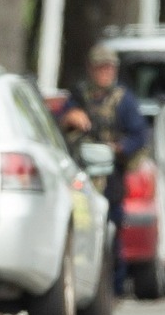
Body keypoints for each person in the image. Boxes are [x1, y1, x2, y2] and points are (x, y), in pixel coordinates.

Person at [60, 44, 147, 297]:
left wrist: (118, 148)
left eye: (109, 68)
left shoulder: (124, 100)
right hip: (81, 175)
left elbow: (139, 135)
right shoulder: (78, 97)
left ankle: (113, 288)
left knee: (111, 231)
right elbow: (61, 124)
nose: (105, 73)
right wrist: (70, 118)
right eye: (100, 68)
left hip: (110, 177)